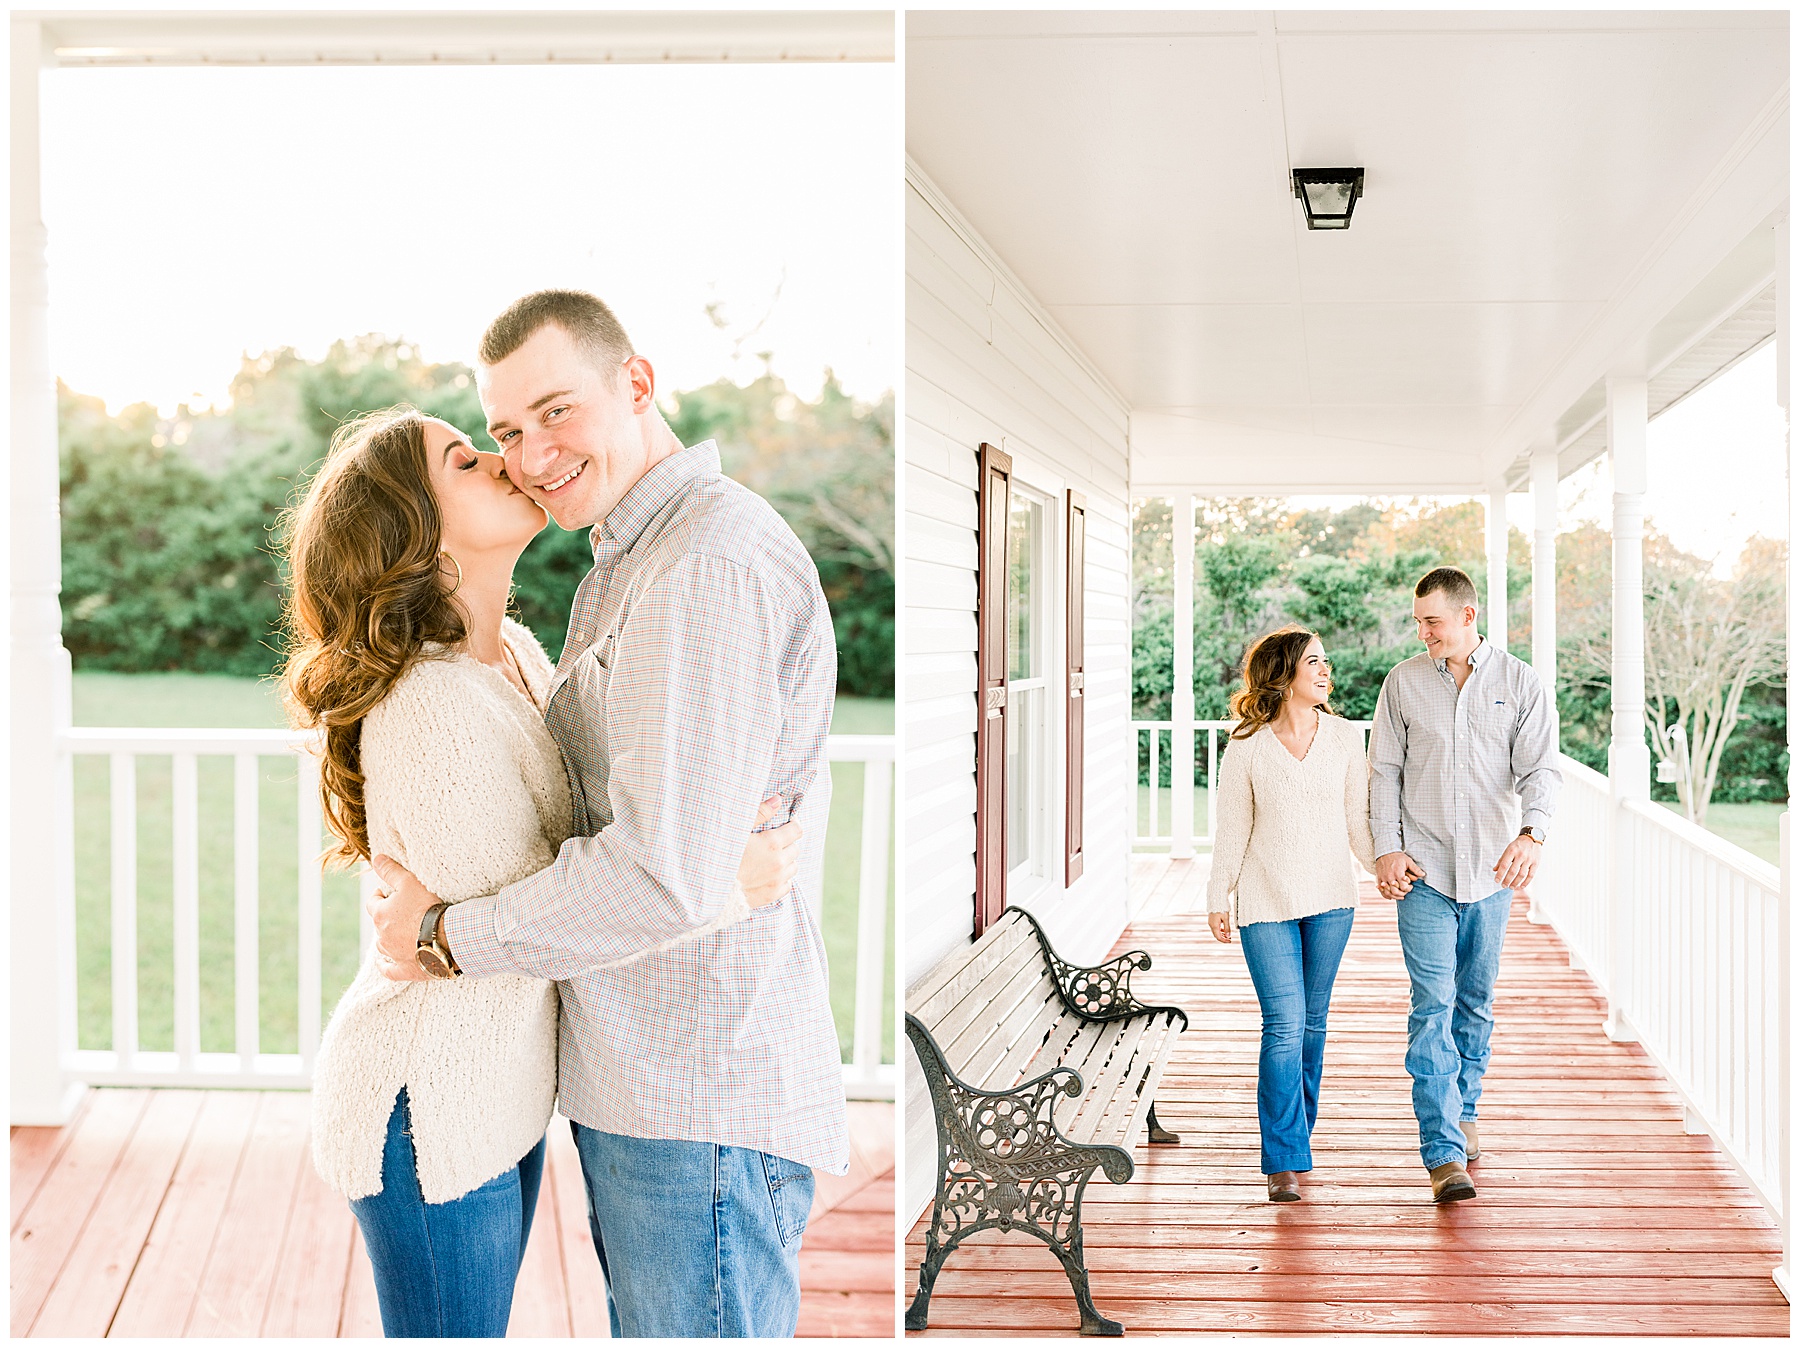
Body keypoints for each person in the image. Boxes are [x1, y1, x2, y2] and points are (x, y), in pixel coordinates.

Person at [363, 290, 849, 1338]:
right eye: (502, 432)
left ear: (635, 383)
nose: (531, 454)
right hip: (652, 1082)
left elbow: (657, 873)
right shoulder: (632, 559)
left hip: (696, 1094)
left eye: (555, 411)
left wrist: (446, 935)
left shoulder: (700, 564)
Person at [283, 406, 800, 1337]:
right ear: (418, 529)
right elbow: (541, 910)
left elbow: (551, 869)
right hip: (425, 1104)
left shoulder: (513, 655)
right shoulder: (432, 705)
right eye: (466, 459)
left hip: (497, 1092)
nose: (504, 461)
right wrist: (726, 880)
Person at [1368, 566, 1561, 1203]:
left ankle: (1466, 1106)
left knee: (1474, 1004)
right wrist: (1387, 850)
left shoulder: (1519, 682)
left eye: (1432, 622)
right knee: (1431, 1009)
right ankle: (1444, 1151)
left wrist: (1531, 834)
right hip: (1423, 871)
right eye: (1419, 622)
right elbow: (1383, 774)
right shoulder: (1402, 683)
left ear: (1467, 617)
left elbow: (1540, 771)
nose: (1423, 632)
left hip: (1491, 875)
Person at [1207, 625, 1375, 1203]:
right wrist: (1217, 895)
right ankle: (1282, 1157)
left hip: (1332, 900)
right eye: (1314, 662)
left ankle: (1298, 1136)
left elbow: (1358, 822)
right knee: (1283, 1023)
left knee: (1312, 1022)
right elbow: (1233, 828)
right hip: (1265, 902)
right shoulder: (1247, 745)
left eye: (1327, 661)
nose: (1326, 671)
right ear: (1284, 674)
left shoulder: (1346, 738)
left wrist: (1387, 867)